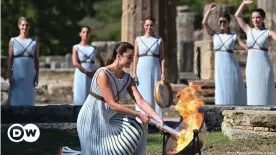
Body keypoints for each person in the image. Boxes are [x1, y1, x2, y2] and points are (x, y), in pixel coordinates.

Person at [59, 42, 164, 155]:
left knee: (138, 124)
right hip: (91, 119)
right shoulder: (103, 74)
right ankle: (67, 153)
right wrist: (139, 114)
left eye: (133, 57)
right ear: (119, 56)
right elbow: (112, 104)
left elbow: (140, 101)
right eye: (129, 57)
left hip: (109, 118)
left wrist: (158, 119)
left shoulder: (128, 79)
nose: (132, 60)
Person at [202, 3, 247, 105]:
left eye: (224, 21)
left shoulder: (233, 36)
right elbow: (204, 23)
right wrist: (209, 11)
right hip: (220, 66)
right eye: (220, 22)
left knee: (232, 86)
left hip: (231, 65)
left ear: (228, 23)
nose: (222, 23)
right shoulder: (215, 35)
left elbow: (244, 46)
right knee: (221, 87)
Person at [235, 0, 276, 105]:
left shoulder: (268, 32)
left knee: (266, 91)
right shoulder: (249, 30)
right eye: (253, 17)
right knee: (252, 91)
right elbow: (238, 16)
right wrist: (243, 3)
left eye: (258, 17)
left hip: (264, 65)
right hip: (252, 65)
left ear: (263, 18)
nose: (255, 20)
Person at [133, 16, 165, 117]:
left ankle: (156, 118)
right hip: (141, 68)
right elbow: (136, 56)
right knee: (142, 92)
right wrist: (134, 72)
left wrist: (163, 72)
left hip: (155, 67)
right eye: (147, 25)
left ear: (154, 26)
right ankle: (142, 117)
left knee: (155, 93)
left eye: (151, 25)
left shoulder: (159, 40)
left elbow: (162, 57)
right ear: (144, 26)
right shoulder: (138, 39)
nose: (149, 27)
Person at [7, 16, 39, 106]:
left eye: (27, 25)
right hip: (17, 75)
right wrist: (9, 75)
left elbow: (36, 60)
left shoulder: (34, 41)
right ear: (19, 26)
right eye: (23, 25)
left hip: (29, 75)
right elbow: (10, 59)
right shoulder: (13, 41)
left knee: (29, 100)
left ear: (29, 26)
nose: (24, 27)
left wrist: (37, 75)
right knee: (16, 100)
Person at [72, 26, 104, 105]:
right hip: (81, 73)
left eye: (87, 32)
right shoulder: (76, 47)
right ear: (80, 34)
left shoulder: (94, 48)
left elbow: (101, 61)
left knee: (91, 96)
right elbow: (75, 63)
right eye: (84, 32)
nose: (86, 34)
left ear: (90, 35)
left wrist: (98, 73)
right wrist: (86, 71)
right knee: (79, 96)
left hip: (92, 74)